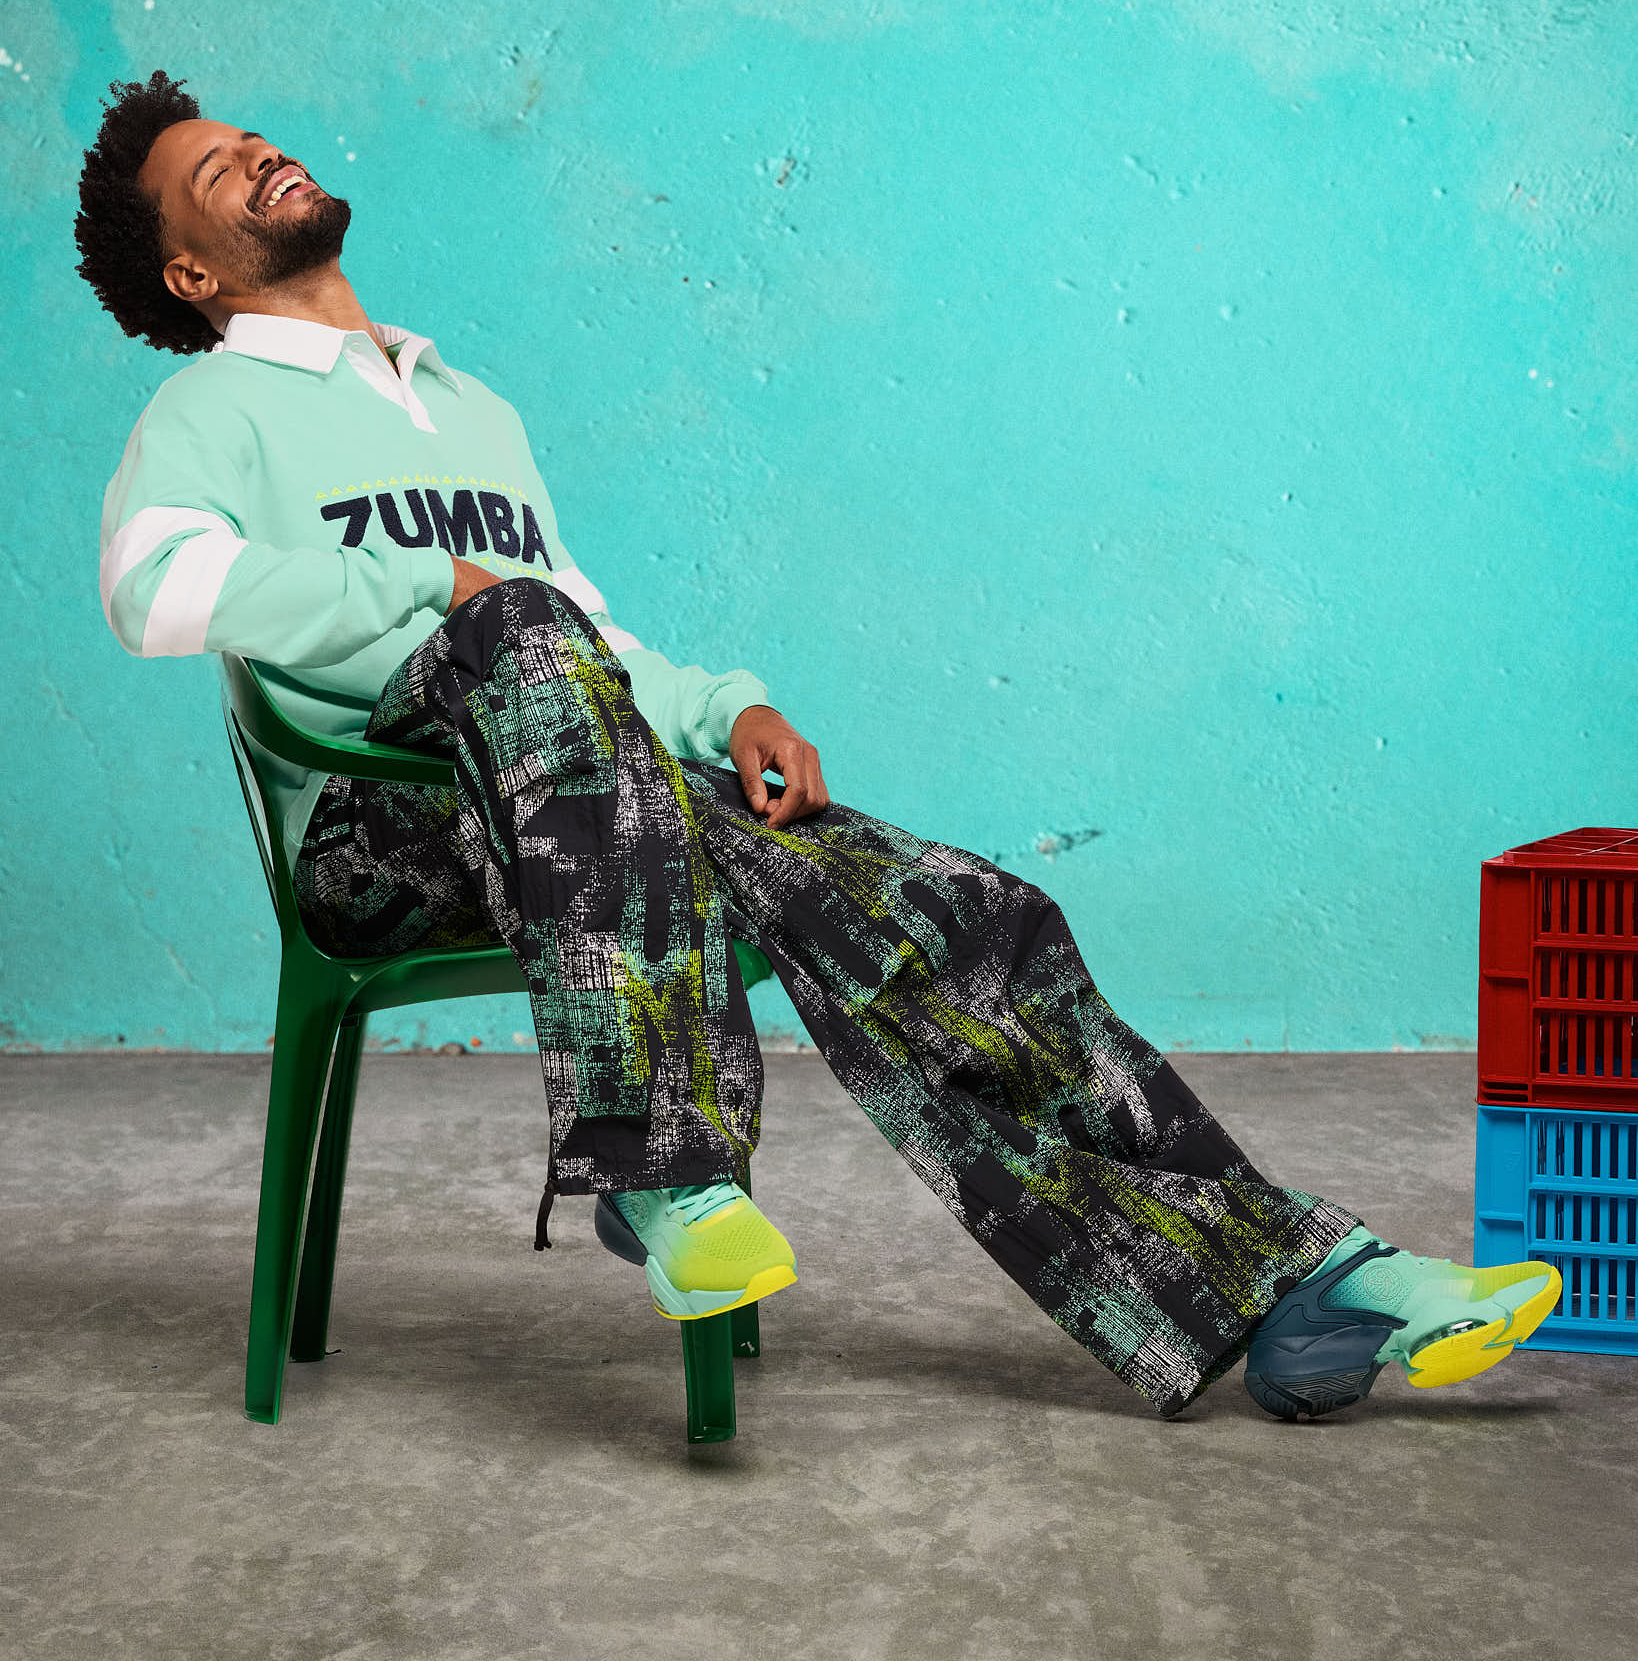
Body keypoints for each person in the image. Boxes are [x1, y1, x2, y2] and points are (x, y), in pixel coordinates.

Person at [79, 69, 1559, 1422]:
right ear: (195, 272)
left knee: (950, 910)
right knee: (518, 634)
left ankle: (1305, 1283)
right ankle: (664, 1165)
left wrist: (729, 708)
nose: (258, 153)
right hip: (383, 836)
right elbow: (153, 592)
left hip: (589, 816)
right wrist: (430, 585)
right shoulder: (209, 409)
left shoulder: (469, 407)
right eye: (214, 171)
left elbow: (588, 646)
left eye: (254, 138)